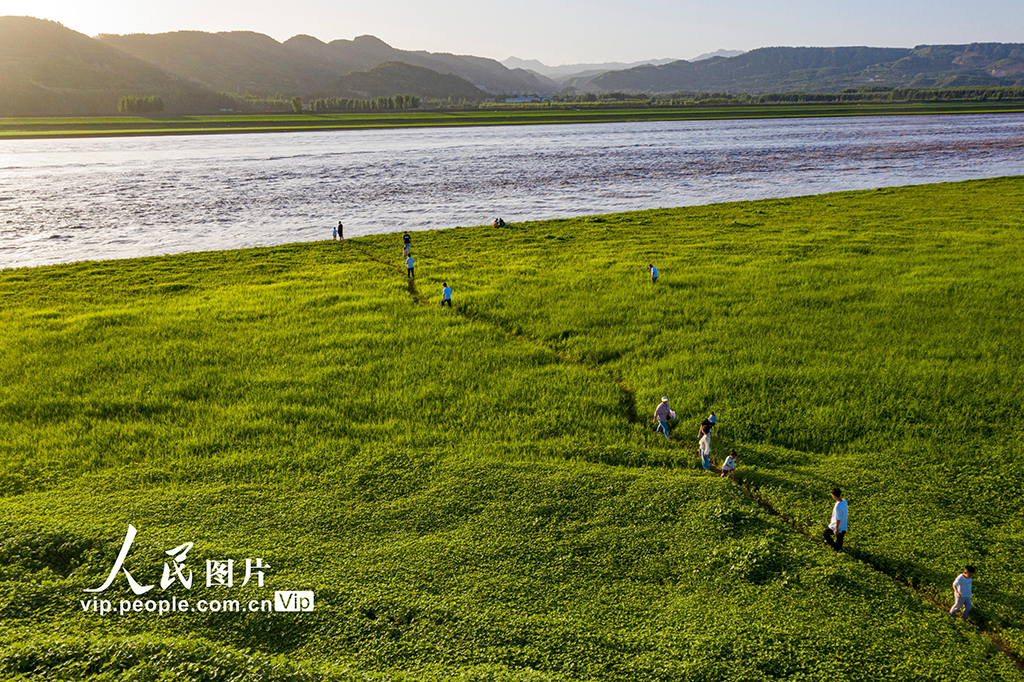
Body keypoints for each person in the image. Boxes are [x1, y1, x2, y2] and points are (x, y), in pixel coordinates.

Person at [824, 487, 848, 552]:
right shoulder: (844, 501)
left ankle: (835, 547)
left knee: (825, 534)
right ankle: (839, 549)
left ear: (833, 495)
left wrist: (836, 528)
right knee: (840, 539)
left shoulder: (838, 505)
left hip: (836, 525)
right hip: (843, 525)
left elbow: (838, 518)